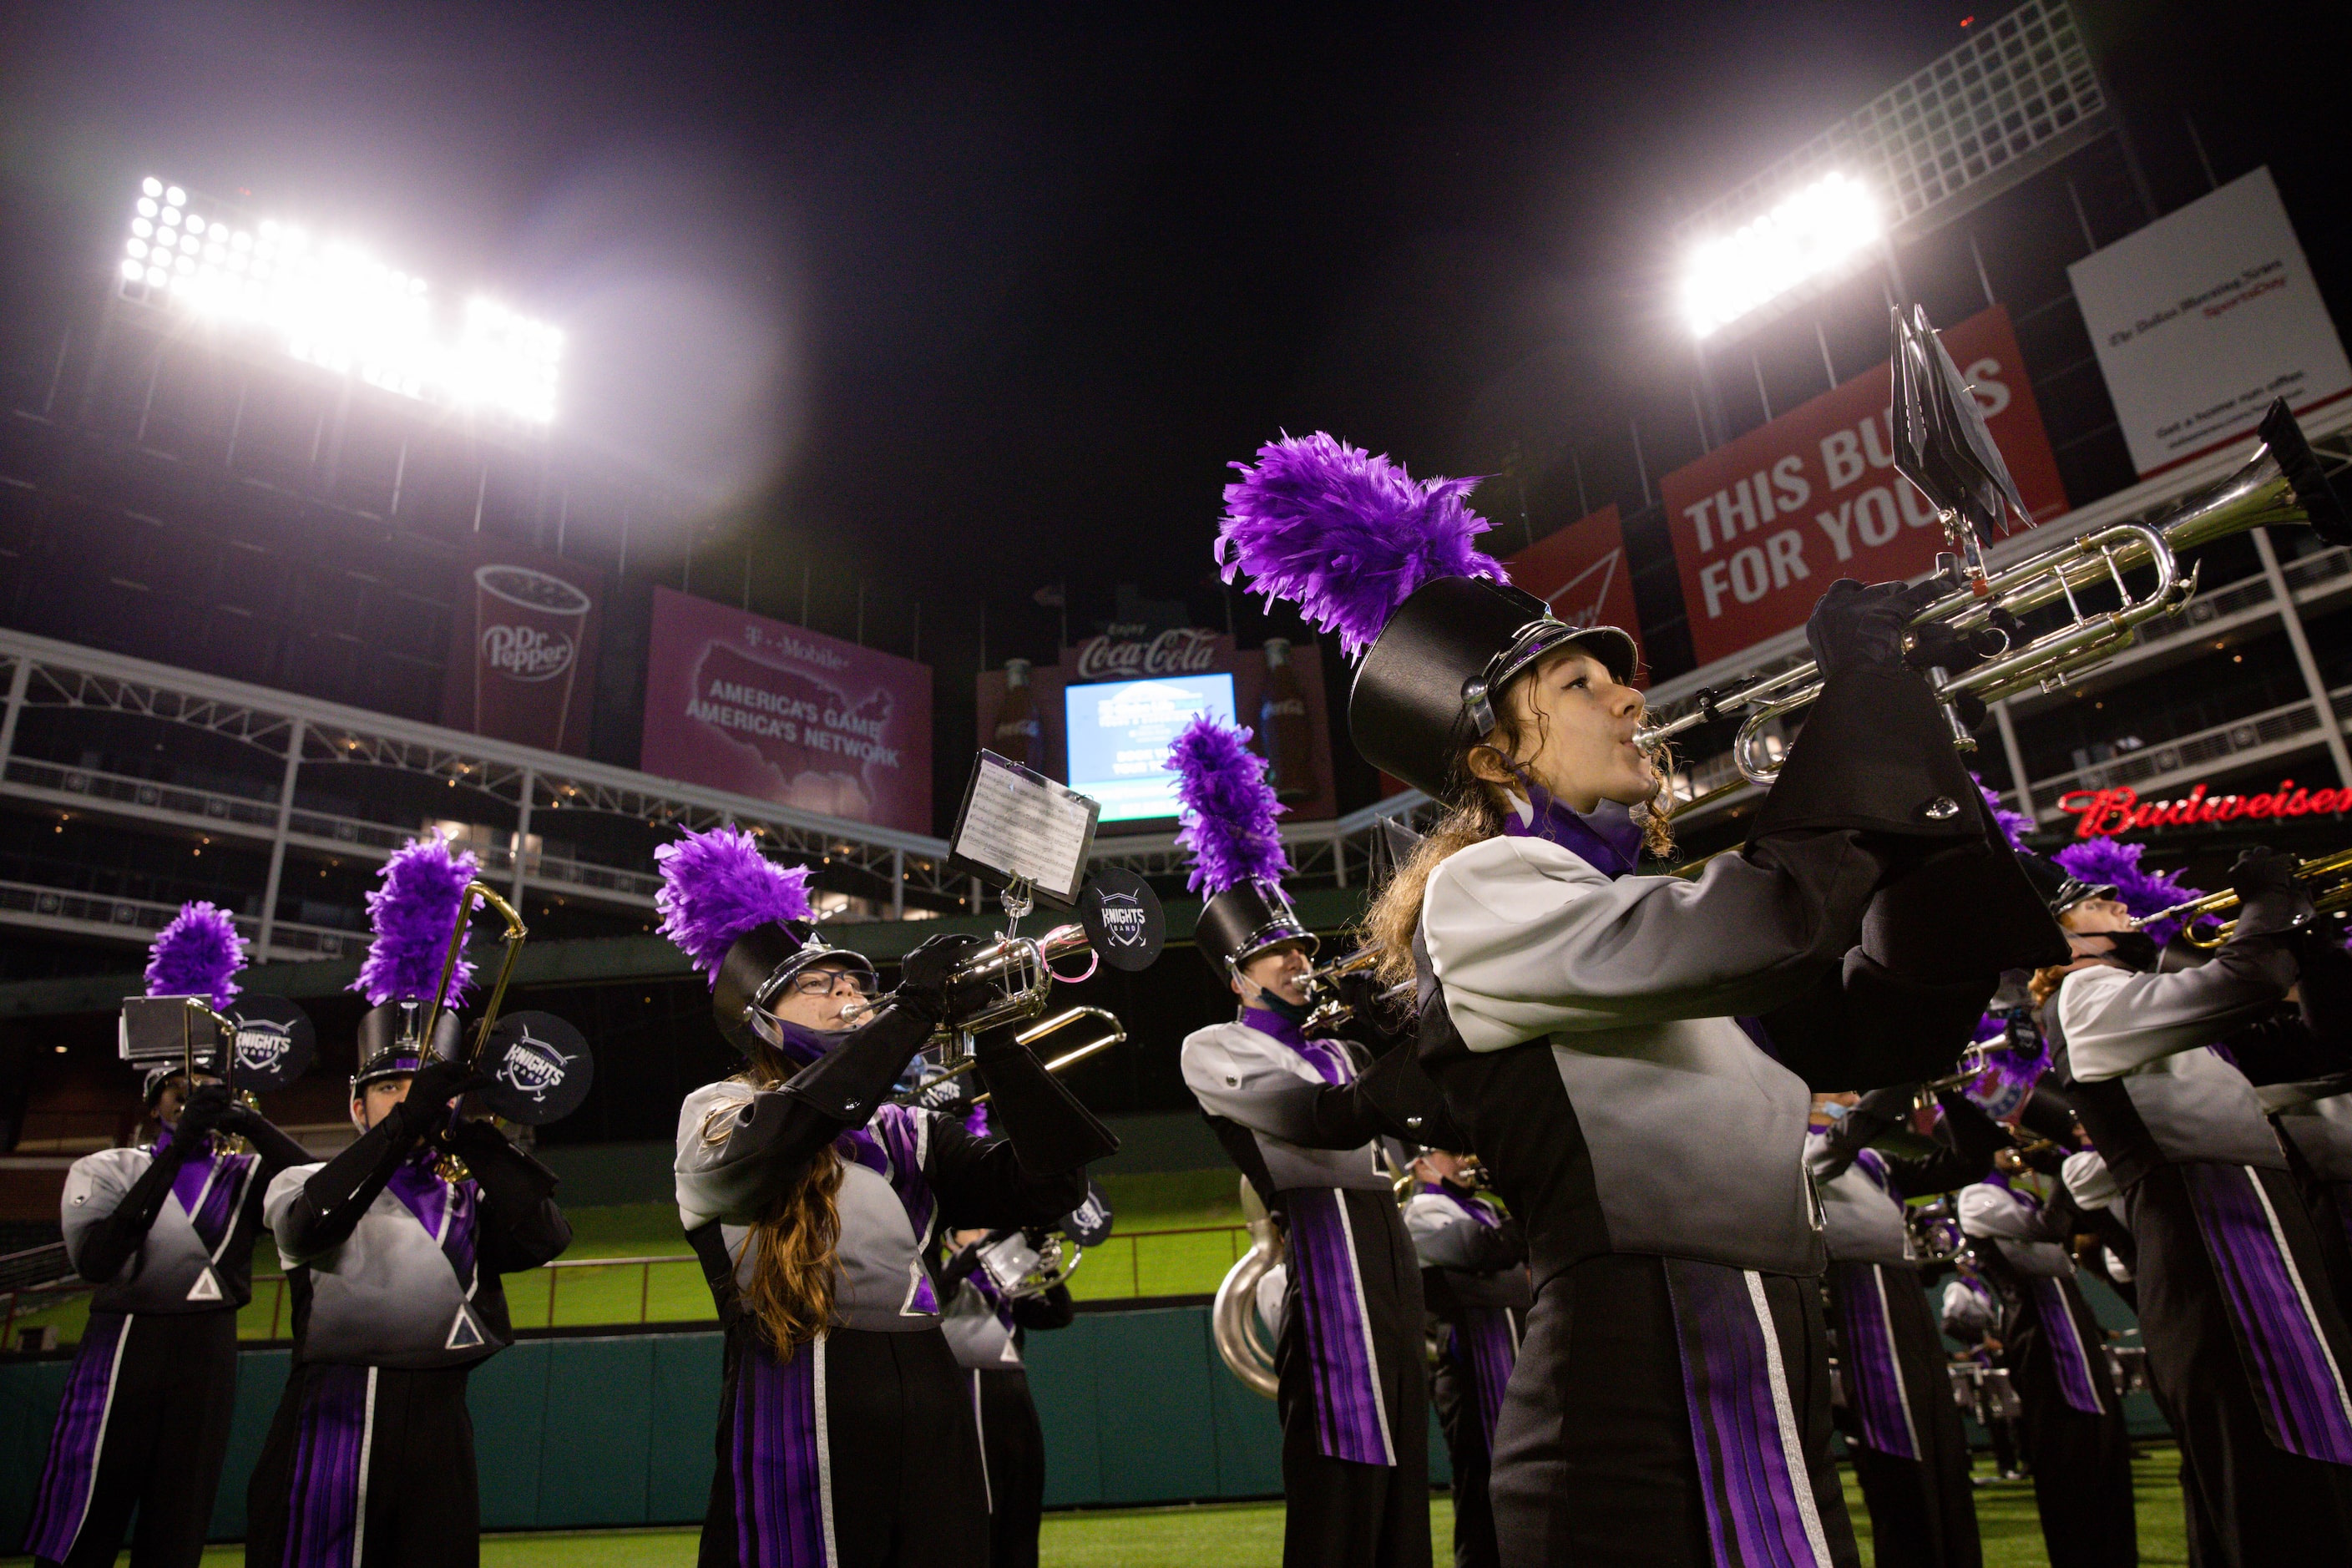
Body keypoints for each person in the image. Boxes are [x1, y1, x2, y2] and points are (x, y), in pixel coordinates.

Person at [1216, 432, 2064, 1563]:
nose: (1627, 699)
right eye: (1579, 683)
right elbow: (1774, 922)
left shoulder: (1636, 913)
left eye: (1618, 677)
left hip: (1767, 1360)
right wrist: (1856, 698)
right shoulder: (1485, 889)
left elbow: (1881, 1023)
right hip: (1628, 1391)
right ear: (1488, 755)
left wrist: (1913, 729)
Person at [655, 825, 1118, 1568]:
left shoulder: (908, 1127)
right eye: (821, 985)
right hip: (797, 1383)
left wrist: (996, 1042)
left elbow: (1050, 1187)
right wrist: (907, 1012)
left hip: (929, 1385)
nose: (849, 995)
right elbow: (788, 1134)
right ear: (762, 1018)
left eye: (856, 983)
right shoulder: (713, 1107)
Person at [245, 839, 573, 1568]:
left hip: (441, 1417)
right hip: (335, 1410)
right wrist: (403, 1125)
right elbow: (314, 1224)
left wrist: (477, 1131)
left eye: (417, 1087)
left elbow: (544, 1238)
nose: (405, 1099)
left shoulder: (465, 1191)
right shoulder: (299, 1178)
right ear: (358, 1109)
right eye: (386, 1090)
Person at [1168, 713, 1446, 1568]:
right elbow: (1315, 1123)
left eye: (1297, 946)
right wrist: (1404, 1061)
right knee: (1337, 1472)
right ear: (1236, 975)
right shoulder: (1214, 1048)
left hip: (1387, 1258)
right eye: (1272, 954)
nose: (1295, 963)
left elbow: (1417, 1122)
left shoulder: (1339, 1048)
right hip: (1321, 1256)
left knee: (1402, 1470)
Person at [2039, 848, 2352, 1561]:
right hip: (2211, 1229)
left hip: (2245, 1217)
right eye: (2085, 898)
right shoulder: (2083, 994)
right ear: (2055, 937)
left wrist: (2310, 938)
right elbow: (2246, 978)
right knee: (2280, 1455)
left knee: (2296, 1450)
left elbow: (2317, 1047)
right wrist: (2267, 902)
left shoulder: (2127, 998)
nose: (2112, 898)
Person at [23, 906, 311, 1568]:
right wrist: (178, 1148)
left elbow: (315, 1185)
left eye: (207, 1090)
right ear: (154, 1101)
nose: (193, 1100)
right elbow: (99, 1261)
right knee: (86, 1498)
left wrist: (252, 1124)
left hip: (208, 1346)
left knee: (181, 1513)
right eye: (179, 1091)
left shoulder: (242, 1174)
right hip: (125, 1341)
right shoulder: (107, 1168)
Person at [1806, 1087, 1993, 1568]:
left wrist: (1953, 1095)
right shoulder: (1798, 1149)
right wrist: (1896, 1081)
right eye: (1840, 1091)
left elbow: (1969, 1163)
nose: (1851, 1096)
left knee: (1938, 1442)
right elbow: (1845, 1137)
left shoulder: (1877, 1161)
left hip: (1902, 1287)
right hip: (1857, 1291)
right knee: (1898, 1445)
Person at [1955, 1141, 2136, 1568]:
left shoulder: (2016, 1192)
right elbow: (2050, 1227)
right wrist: (2064, 1168)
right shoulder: (1976, 1196)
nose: (2013, 1149)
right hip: (2036, 1327)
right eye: (1999, 1142)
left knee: (2106, 1451)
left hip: (2070, 1316)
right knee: (2066, 1457)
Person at [1399, 1149, 1526, 1568]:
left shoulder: (1481, 1208)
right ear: (1420, 1165)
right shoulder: (1421, 1208)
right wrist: (1528, 1214)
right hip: (1471, 1357)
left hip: (1511, 1347)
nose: (1461, 1159)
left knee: (1521, 1475)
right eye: (1447, 1153)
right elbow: (1482, 1251)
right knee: (1483, 1483)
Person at [935, 1207, 1079, 1568]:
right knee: (987, 1503)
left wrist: (1048, 1266)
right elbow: (954, 1276)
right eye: (974, 1226)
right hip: (973, 1387)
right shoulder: (940, 1273)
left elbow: (1058, 1314)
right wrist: (997, 1237)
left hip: (1014, 1387)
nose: (982, 1230)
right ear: (951, 1237)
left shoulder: (1004, 1283)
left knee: (1024, 1494)